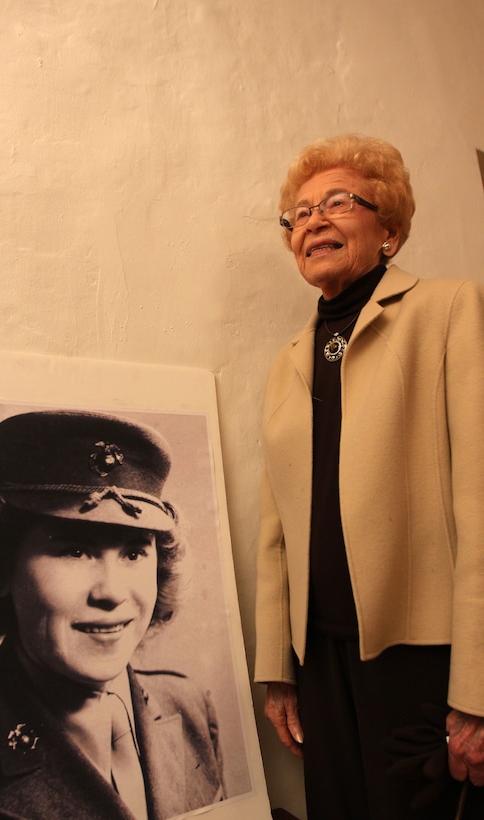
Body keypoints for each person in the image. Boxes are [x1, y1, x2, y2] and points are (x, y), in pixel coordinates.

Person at [254, 134, 484, 819]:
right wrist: (277, 670)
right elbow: (275, 529)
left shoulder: (448, 310)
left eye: (337, 203)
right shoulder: (289, 359)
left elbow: (480, 499)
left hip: (422, 653)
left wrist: (477, 688)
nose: (312, 221)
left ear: (388, 229)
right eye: (299, 214)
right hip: (318, 658)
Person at [0, 410, 224, 819]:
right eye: (74, 551)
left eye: (134, 552)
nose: (111, 592)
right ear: (0, 568)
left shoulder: (189, 707)